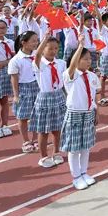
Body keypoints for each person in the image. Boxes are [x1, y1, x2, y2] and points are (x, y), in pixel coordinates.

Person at [61, 42, 100, 191]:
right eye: (85, 59)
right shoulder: (70, 74)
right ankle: (76, 176)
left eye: (90, 58)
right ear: (76, 60)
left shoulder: (92, 75)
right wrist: (80, 46)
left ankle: (84, 172)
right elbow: (71, 67)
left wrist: (96, 111)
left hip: (88, 113)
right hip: (75, 114)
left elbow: (94, 96)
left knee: (86, 146)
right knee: (75, 147)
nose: (89, 61)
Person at [31, 32, 67, 168]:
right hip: (45, 97)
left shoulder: (61, 63)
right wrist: (44, 39)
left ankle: (56, 152)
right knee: (43, 130)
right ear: (43, 48)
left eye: (56, 48)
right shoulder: (39, 63)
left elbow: (64, 81)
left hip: (58, 96)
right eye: (49, 48)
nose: (53, 51)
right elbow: (37, 55)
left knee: (58, 128)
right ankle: (43, 156)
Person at [8, 31, 40, 154]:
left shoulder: (37, 55)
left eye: (37, 40)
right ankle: (26, 140)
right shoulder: (16, 60)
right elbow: (14, 78)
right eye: (33, 41)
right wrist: (16, 95)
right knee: (23, 116)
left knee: (37, 115)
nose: (36, 43)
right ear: (23, 43)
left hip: (37, 87)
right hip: (24, 89)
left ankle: (36, 138)